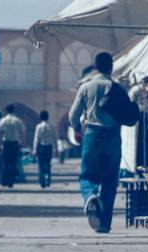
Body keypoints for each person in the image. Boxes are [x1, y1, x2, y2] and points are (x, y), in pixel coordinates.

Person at [69, 51, 122, 233]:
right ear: (111, 66)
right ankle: (105, 224)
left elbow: (73, 115)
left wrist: (76, 128)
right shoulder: (117, 86)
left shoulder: (86, 87)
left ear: (95, 66)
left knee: (88, 175)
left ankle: (91, 196)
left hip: (92, 134)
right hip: (113, 136)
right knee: (110, 180)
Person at [0, 104, 25, 188]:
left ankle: (3, 181)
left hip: (6, 143)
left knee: (5, 162)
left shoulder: (3, 120)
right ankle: (11, 182)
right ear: (13, 110)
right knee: (13, 162)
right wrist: (22, 143)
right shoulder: (18, 120)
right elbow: (23, 132)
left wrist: (0, 144)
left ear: (6, 110)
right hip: (15, 143)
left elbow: (0, 133)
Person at [33, 110, 56, 188]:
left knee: (40, 165)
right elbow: (54, 138)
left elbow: (36, 138)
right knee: (48, 164)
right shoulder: (51, 126)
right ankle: (48, 180)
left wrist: (34, 149)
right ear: (48, 117)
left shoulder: (38, 127)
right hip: (49, 147)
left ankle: (42, 181)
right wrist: (55, 149)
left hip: (41, 147)